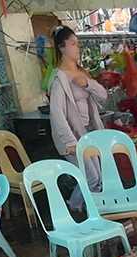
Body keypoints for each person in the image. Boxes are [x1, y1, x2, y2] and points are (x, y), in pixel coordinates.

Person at [49, 25, 105, 212]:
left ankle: (93, 212)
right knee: (91, 177)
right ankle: (74, 207)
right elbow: (56, 112)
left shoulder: (82, 73)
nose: (77, 48)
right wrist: (69, 140)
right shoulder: (59, 79)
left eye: (77, 44)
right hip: (73, 138)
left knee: (98, 178)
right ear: (62, 47)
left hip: (88, 135)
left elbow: (103, 95)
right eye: (73, 44)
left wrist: (88, 83)